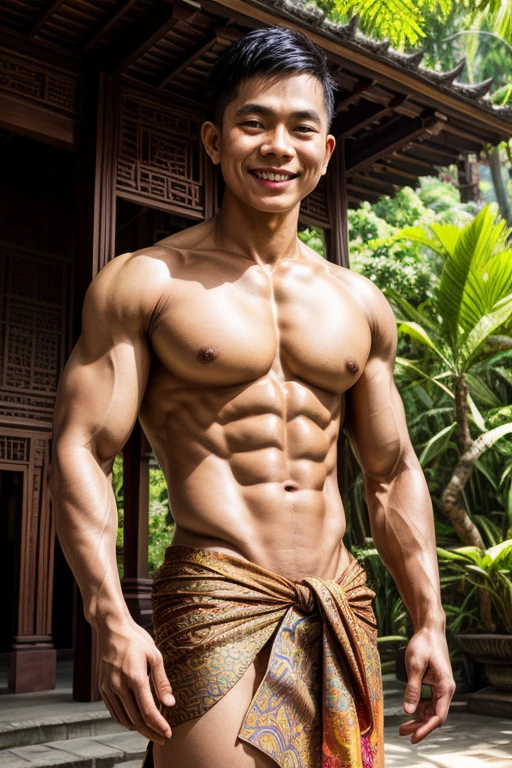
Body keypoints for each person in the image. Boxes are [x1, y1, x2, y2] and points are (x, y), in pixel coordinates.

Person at [48, 25, 455, 768]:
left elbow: (393, 473)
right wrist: (109, 614)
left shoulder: (359, 304)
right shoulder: (148, 281)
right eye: (253, 122)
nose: (278, 147)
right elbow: (80, 447)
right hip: (218, 598)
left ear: (326, 151)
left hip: (340, 600)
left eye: (302, 128)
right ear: (214, 139)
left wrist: (429, 617)